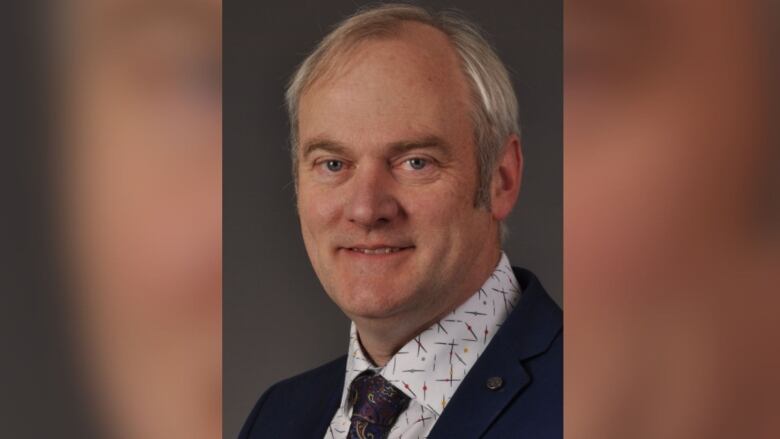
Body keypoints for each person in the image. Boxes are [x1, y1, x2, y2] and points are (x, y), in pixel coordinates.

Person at [240, 4, 561, 438]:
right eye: (333, 164)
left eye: (415, 162)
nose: (367, 209)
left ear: (500, 179)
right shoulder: (277, 417)